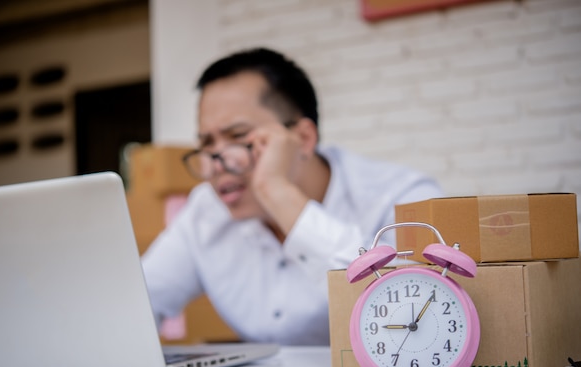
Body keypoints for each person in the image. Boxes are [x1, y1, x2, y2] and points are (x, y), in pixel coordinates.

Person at [141, 47, 443, 345]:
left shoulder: (404, 199)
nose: (218, 165)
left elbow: (419, 317)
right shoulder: (206, 211)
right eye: (207, 144)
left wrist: (278, 193)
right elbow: (136, 304)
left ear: (303, 139)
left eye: (239, 137)